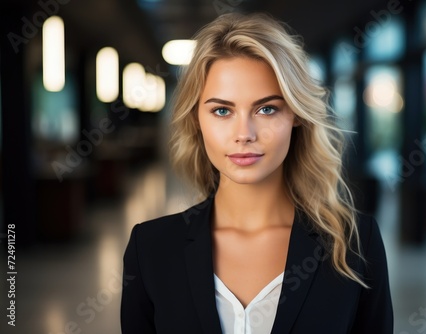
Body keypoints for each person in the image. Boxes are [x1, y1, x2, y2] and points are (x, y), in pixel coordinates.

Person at [121, 12, 393, 334]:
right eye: (222, 110)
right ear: (197, 119)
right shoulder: (151, 248)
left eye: (267, 109)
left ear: (296, 114)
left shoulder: (353, 245)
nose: (244, 133)